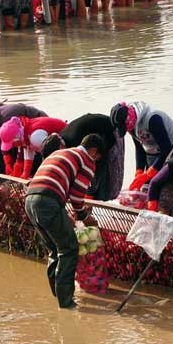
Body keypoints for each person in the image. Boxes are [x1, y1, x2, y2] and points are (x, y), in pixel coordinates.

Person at [24, 133, 103, 310]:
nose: (96, 162)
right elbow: (77, 197)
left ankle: (57, 293)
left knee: (54, 248)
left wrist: (68, 213)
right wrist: (85, 217)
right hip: (48, 201)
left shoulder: (60, 153)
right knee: (69, 249)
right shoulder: (87, 160)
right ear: (93, 151)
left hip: (30, 201)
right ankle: (66, 303)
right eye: (97, 158)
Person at [42, 113, 124, 202]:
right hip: (95, 136)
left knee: (105, 173)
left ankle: (103, 200)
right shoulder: (63, 141)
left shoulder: (74, 141)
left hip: (110, 131)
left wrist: (87, 196)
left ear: (60, 148)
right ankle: (91, 200)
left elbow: (88, 168)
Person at [110, 102, 173, 192]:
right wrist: (139, 172)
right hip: (154, 151)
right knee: (146, 188)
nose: (127, 130)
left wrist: (149, 173)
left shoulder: (152, 119)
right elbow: (139, 148)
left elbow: (166, 149)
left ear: (129, 119)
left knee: (163, 187)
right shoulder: (131, 125)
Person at [0, 115, 68, 178]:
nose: (12, 147)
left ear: (17, 137)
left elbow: (51, 151)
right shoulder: (25, 132)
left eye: (13, 144)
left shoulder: (35, 138)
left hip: (66, 137)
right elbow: (28, 149)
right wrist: (26, 173)